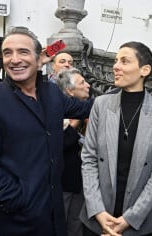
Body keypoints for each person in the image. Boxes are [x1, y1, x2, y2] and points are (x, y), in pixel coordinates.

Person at [0, 26, 93, 236]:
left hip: (53, 215)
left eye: (23, 51)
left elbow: (85, 108)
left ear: (39, 59)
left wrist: (121, 95)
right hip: (14, 219)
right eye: (7, 53)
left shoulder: (52, 93)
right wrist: (15, 198)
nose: (14, 59)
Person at [80, 41, 152, 236]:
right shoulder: (101, 104)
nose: (115, 66)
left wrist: (130, 219)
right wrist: (98, 210)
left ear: (144, 70)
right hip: (98, 217)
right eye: (116, 61)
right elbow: (89, 158)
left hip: (139, 222)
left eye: (124, 61)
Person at [56, 68, 90, 236]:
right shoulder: (59, 111)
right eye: (82, 83)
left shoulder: (89, 113)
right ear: (69, 90)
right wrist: (73, 126)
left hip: (82, 181)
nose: (88, 85)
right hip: (64, 182)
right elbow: (57, 145)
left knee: (77, 225)